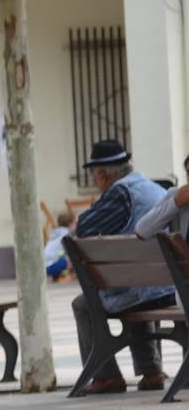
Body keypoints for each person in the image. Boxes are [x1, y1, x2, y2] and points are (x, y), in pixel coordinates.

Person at [72, 139, 172, 393]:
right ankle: (152, 371)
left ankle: (105, 375)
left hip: (143, 289)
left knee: (84, 304)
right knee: (133, 285)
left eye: (95, 177)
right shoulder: (154, 188)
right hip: (171, 286)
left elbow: (83, 227)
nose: (96, 182)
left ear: (104, 176)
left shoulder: (119, 193)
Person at [45, 212, 74, 279]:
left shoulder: (55, 233)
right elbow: (69, 251)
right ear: (70, 224)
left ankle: (59, 275)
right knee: (73, 259)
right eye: (74, 223)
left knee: (62, 256)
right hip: (51, 266)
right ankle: (65, 276)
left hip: (45, 266)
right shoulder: (66, 235)